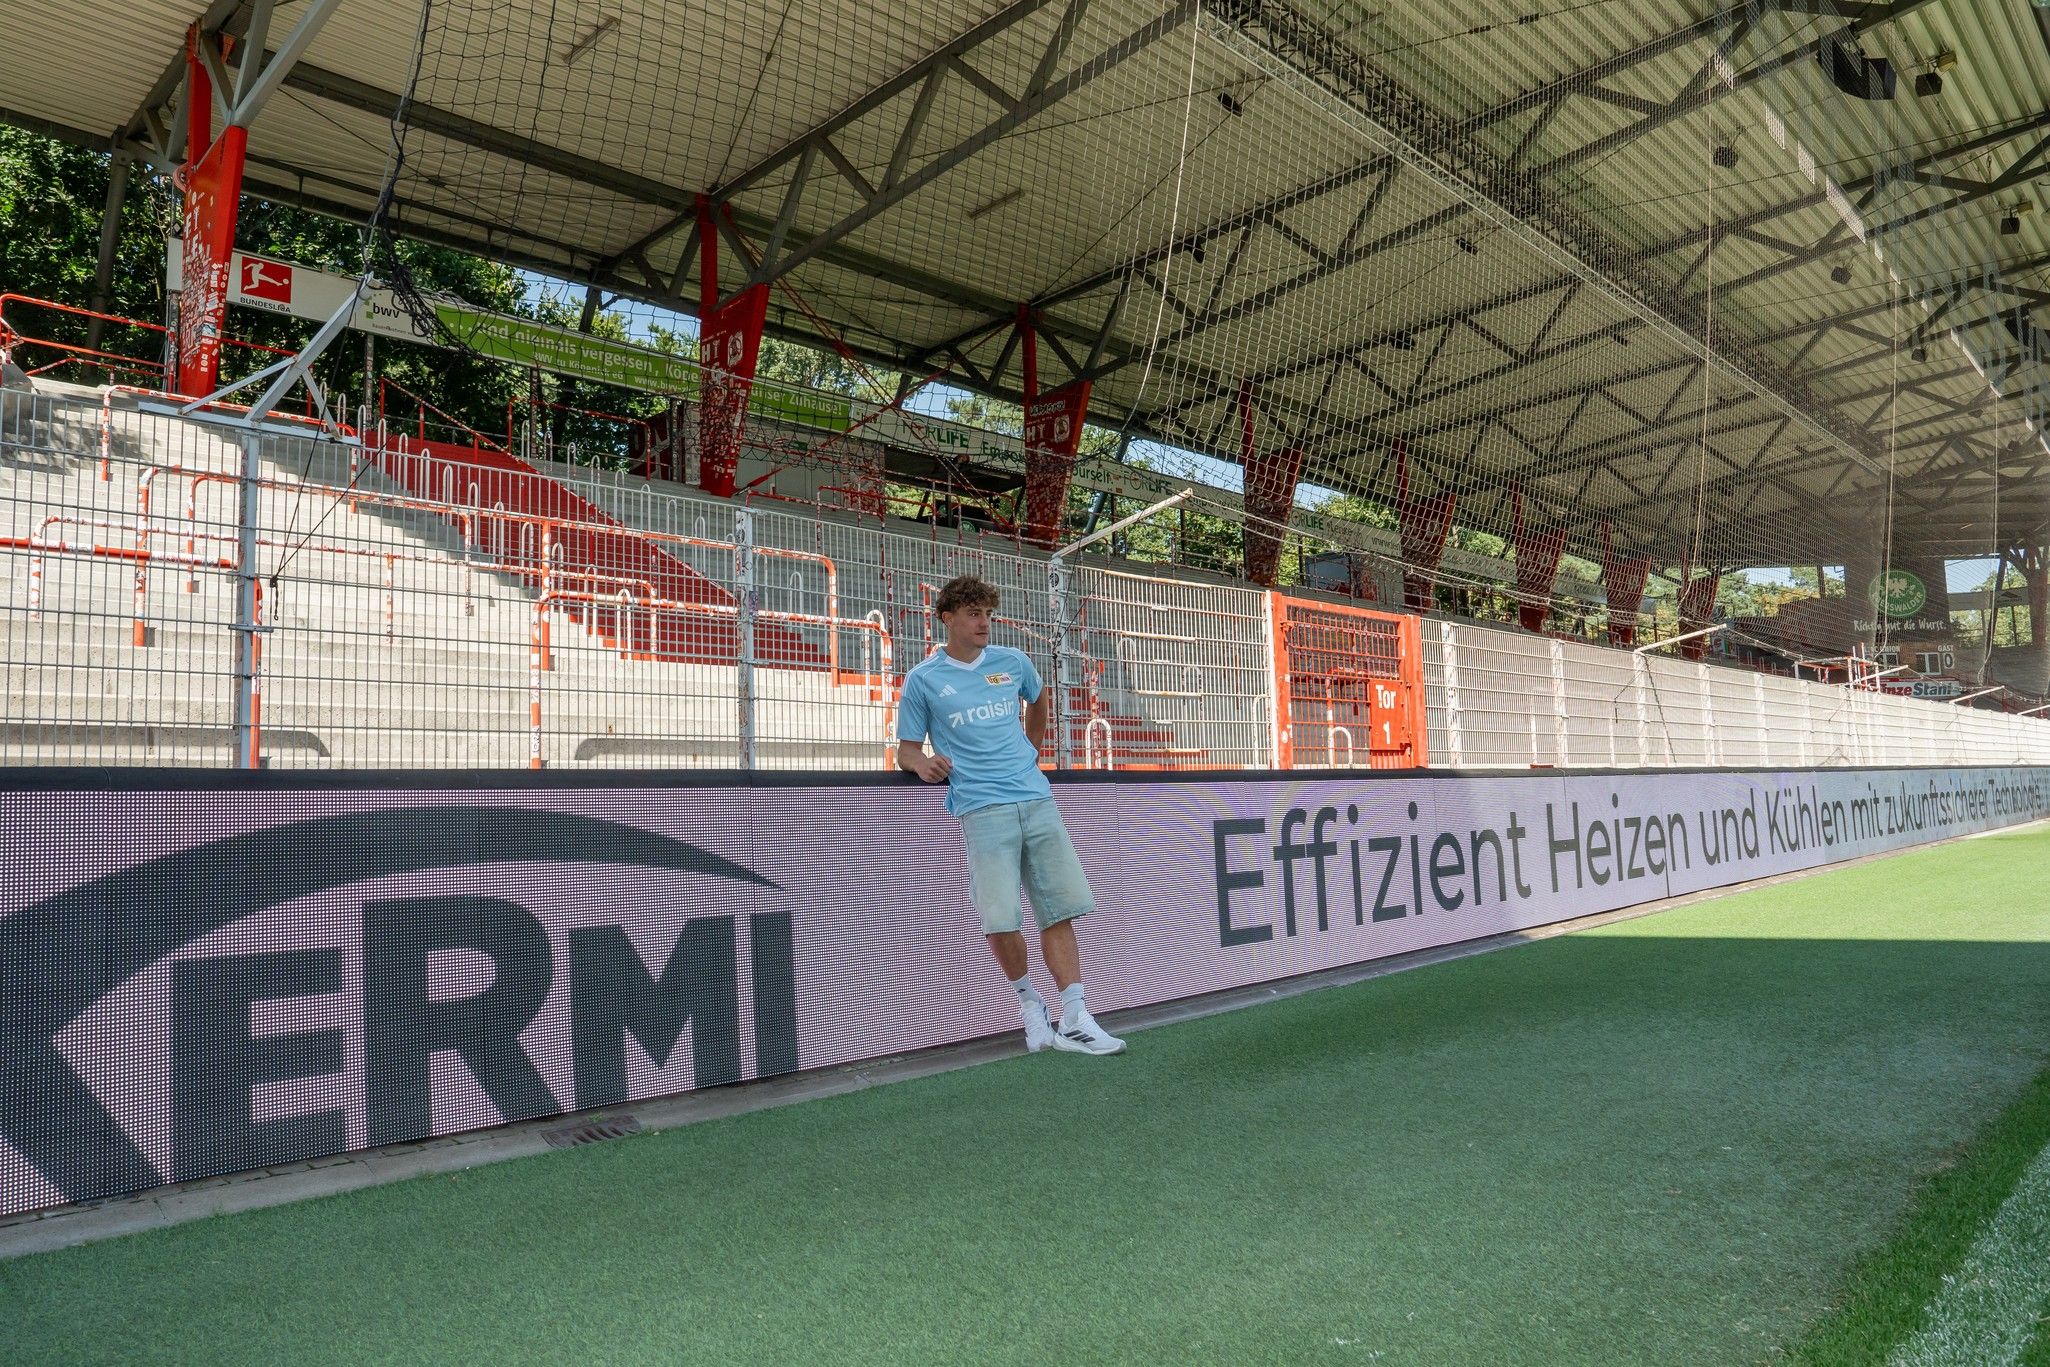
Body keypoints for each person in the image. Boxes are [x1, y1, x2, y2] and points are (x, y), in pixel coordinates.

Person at [895, 574, 1126, 1056]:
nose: (984, 623)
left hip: (1037, 800)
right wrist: (921, 763)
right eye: (973, 614)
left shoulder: (1012, 661)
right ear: (948, 618)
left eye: (988, 614)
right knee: (999, 919)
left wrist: (1032, 750)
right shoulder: (923, 679)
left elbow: (1039, 699)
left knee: (1058, 910)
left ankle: (1076, 1017)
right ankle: (1029, 1004)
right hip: (982, 809)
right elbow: (907, 749)